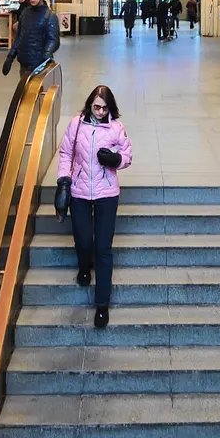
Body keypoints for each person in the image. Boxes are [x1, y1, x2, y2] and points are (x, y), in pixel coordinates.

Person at [56, 84, 133, 329]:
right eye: (96, 106)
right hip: (79, 191)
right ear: (90, 104)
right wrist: (63, 181)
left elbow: (128, 155)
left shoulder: (116, 128)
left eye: (104, 108)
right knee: (83, 239)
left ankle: (102, 305)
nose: (100, 111)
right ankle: (83, 265)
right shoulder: (76, 124)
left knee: (103, 248)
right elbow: (66, 154)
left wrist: (116, 160)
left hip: (107, 193)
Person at [3, 0, 59, 78]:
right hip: (24, 62)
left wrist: (47, 53)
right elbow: (19, 36)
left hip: (40, 64)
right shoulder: (25, 13)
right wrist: (10, 56)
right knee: (25, 90)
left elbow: (53, 39)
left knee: (38, 91)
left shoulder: (49, 16)